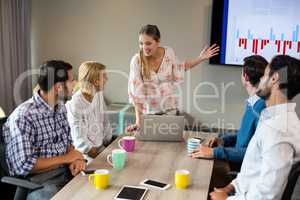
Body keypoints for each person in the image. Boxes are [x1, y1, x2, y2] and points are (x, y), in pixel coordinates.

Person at [210, 55, 300, 200]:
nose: (261, 80)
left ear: (274, 78)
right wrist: (228, 188)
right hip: (240, 192)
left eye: (265, 75)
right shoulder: (272, 119)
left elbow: (268, 195)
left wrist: (226, 199)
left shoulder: (279, 130)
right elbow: (251, 172)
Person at [2, 60, 86, 200]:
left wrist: (75, 160)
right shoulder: (24, 116)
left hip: (65, 173)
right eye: (72, 80)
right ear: (59, 87)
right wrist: (67, 158)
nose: (75, 84)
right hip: (40, 182)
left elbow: (68, 145)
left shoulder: (60, 108)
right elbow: (24, 165)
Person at [126, 24, 219, 131]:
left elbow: (181, 67)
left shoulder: (168, 53)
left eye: (148, 43)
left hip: (170, 110)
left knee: (169, 144)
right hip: (149, 113)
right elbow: (136, 93)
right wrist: (138, 121)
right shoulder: (136, 61)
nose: (144, 47)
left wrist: (200, 58)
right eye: (141, 43)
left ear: (158, 41)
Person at [192, 55, 267, 164]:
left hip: (241, 171)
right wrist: (223, 140)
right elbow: (245, 137)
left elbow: (254, 153)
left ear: (245, 77)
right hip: (235, 162)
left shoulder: (261, 108)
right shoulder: (254, 103)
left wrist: (215, 152)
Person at [66, 61, 112, 163]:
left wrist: (110, 147)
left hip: (102, 149)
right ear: (95, 81)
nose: (107, 79)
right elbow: (80, 142)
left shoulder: (98, 95)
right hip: (86, 157)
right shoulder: (75, 104)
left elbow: (105, 123)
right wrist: (104, 157)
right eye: (104, 76)